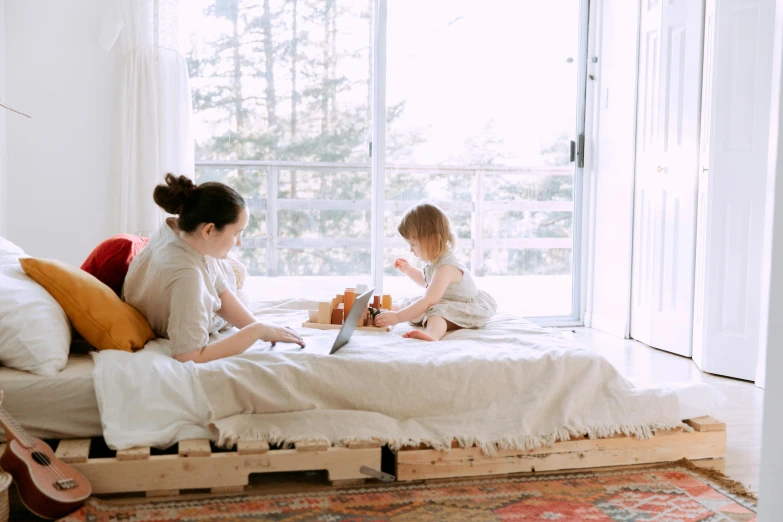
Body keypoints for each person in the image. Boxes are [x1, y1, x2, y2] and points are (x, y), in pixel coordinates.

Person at [123, 174, 304, 362]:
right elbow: (189, 356)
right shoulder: (188, 277)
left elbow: (220, 290)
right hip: (175, 313)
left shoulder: (177, 230)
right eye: (236, 233)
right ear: (208, 230)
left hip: (174, 294)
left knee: (234, 280)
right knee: (240, 288)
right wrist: (256, 331)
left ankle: (236, 275)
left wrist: (261, 326)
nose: (239, 242)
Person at [374, 202, 497, 341]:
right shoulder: (435, 261)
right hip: (447, 300)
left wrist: (398, 318)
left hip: (467, 308)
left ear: (432, 240)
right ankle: (377, 310)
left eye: (413, 244)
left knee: (437, 312)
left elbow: (429, 299)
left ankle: (432, 334)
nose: (410, 250)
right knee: (413, 302)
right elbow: (427, 282)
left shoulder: (446, 267)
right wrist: (409, 271)